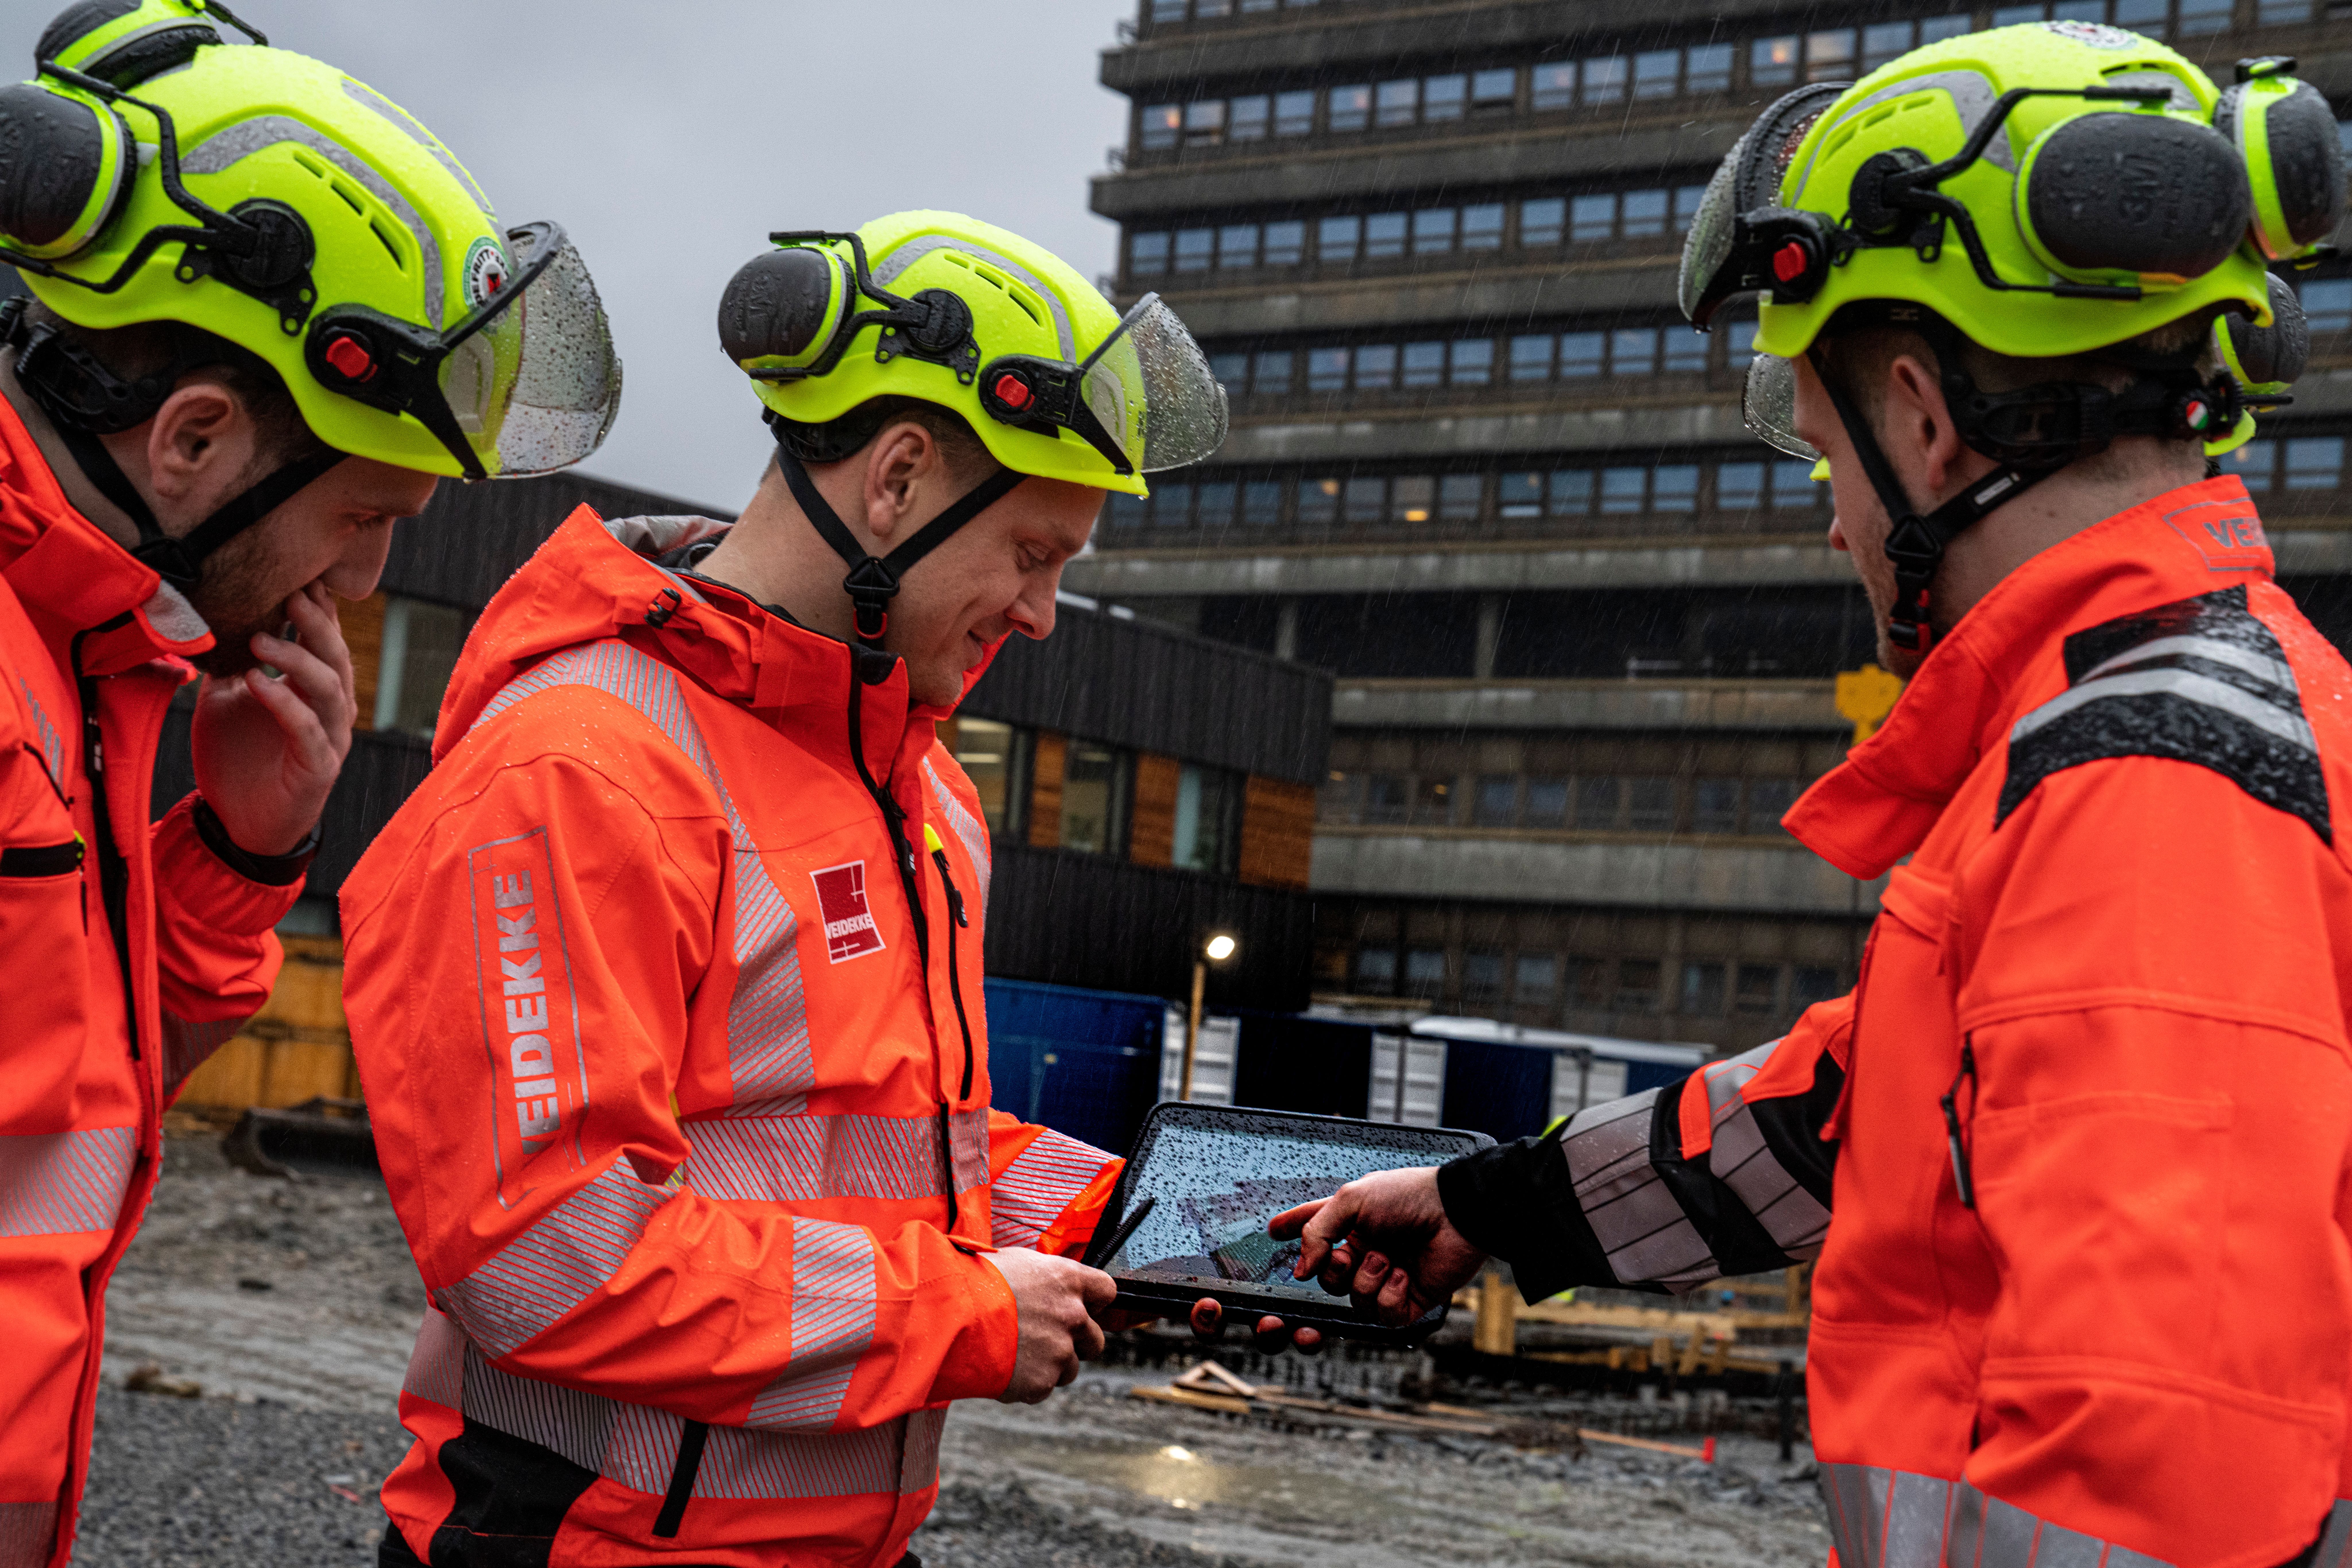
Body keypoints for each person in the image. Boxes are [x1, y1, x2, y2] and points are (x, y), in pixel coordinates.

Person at [1273, 23, 2352, 1566]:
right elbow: (1857, 1107)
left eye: (1821, 440)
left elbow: (2149, 1464)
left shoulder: (2148, 781)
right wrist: (1491, 1207)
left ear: (1920, 419)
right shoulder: (2168, 717)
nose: (1832, 517)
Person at [340, 210, 1239, 1568]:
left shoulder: (923, 790)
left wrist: (1160, 1231)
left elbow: (870, 1150)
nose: (1042, 612)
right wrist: (963, 1316)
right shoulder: (577, 768)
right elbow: (546, 1252)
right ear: (897, 479)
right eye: (1033, 553)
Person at [0, 5, 619, 1565]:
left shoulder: (86, 662)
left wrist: (239, 854)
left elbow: (65, 1119)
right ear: (195, 439)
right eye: (363, 516)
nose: (363, 581)